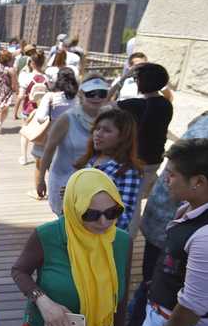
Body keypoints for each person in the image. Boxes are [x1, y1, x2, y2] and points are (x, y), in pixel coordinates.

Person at [11, 169, 132, 326]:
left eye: (113, 212)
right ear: (74, 208)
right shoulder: (48, 236)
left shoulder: (121, 242)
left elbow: (120, 297)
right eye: (91, 214)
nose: (103, 223)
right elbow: (19, 271)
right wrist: (43, 301)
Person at [125, 111, 208, 326]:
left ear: (198, 182)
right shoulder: (188, 209)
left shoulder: (204, 237)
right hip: (161, 314)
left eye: (172, 174)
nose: (166, 181)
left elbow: (193, 306)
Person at [37, 73, 110, 215]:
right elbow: (49, 149)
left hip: (96, 182)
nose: (96, 97)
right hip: (65, 180)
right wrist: (41, 179)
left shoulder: (110, 117)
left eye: (102, 93)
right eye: (91, 93)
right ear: (81, 93)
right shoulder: (67, 119)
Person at [117, 62, 174, 239]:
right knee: (137, 198)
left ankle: (127, 237)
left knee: (131, 202)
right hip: (154, 159)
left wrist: (121, 81)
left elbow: (106, 104)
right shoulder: (166, 105)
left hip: (135, 161)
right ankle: (129, 236)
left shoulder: (134, 104)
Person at [74, 108, 143, 232]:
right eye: (97, 128)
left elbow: (124, 218)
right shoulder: (91, 159)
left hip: (102, 238)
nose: (98, 134)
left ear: (123, 137)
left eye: (106, 130)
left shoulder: (127, 171)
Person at [27, 68, 78, 200]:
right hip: (71, 137)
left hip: (51, 136)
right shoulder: (78, 98)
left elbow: (40, 118)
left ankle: (39, 189)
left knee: (41, 163)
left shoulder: (50, 96)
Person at [18, 50, 49, 165]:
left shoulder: (26, 77)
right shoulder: (47, 79)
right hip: (42, 109)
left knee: (25, 133)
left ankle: (23, 157)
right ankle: (40, 156)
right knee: (41, 132)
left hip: (28, 108)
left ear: (32, 63)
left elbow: (21, 95)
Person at [13, 44, 38, 120]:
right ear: (30, 52)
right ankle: (26, 111)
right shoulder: (30, 59)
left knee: (20, 97)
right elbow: (31, 69)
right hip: (27, 77)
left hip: (21, 77)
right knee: (28, 95)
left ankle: (15, 113)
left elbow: (16, 69)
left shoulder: (19, 58)